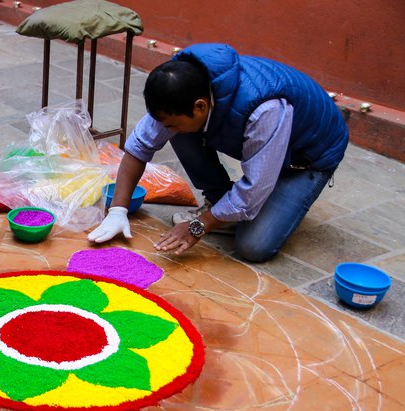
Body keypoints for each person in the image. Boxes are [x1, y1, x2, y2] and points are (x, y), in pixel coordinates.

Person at [88, 43, 349, 262]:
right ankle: (221, 202)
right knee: (179, 131)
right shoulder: (183, 86)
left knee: (253, 246)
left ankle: (237, 210)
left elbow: (254, 189)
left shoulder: (264, 110)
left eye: (171, 121)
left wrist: (198, 227)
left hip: (307, 159)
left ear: (200, 106)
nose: (166, 128)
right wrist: (118, 210)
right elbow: (140, 147)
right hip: (268, 144)